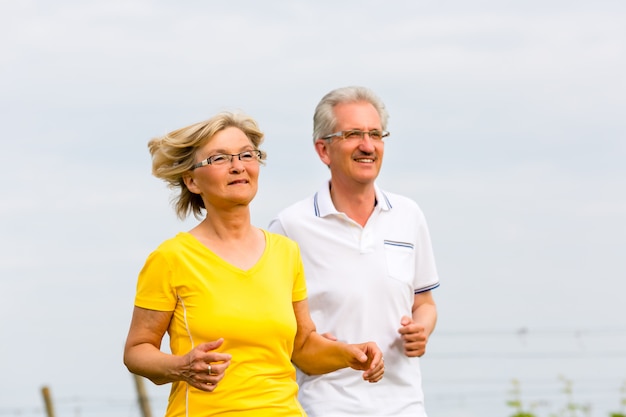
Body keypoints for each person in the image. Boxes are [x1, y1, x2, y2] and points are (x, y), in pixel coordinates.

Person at [123, 111, 384, 417]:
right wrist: (180, 366)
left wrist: (349, 353)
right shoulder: (171, 258)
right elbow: (137, 351)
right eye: (219, 159)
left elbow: (302, 348)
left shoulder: (285, 252)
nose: (238, 166)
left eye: (247, 155)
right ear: (192, 180)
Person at [269, 86, 440, 417]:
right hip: (326, 406)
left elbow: (425, 303)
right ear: (323, 150)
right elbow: (278, 330)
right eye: (353, 134)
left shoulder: (409, 215)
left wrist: (422, 329)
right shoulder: (290, 227)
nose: (368, 146)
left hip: (405, 405)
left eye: (376, 134)